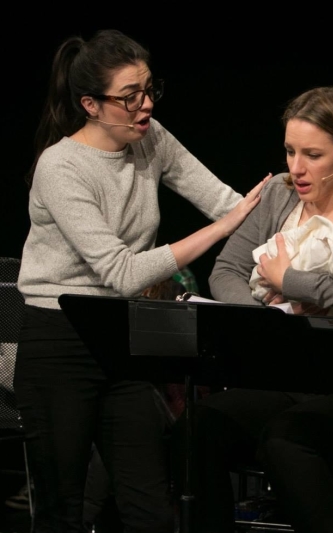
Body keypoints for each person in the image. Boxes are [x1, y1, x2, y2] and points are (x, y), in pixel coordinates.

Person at [14, 29, 269, 533]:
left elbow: (224, 200)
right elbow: (122, 272)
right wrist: (223, 227)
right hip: (59, 341)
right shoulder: (61, 167)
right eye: (129, 96)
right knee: (62, 509)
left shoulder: (151, 138)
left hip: (118, 339)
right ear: (90, 103)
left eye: (149, 90)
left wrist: (298, 230)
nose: (145, 105)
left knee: (149, 505)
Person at [173, 85, 333, 533]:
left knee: (287, 440)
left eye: (313, 155)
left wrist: (292, 282)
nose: (296, 169)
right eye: (289, 152)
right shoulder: (281, 195)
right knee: (198, 426)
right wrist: (269, 319)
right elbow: (224, 271)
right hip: (285, 376)